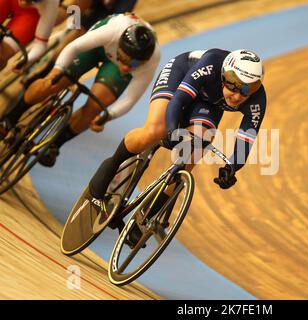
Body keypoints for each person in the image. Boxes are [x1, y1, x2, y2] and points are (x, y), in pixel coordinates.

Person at [87, 48, 266, 245]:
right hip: (181, 74)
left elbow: (247, 138)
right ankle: (112, 166)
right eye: (234, 87)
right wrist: (172, 131)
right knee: (156, 130)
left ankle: (145, 218)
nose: (238, 96)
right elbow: (178, 100)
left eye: (247, 89)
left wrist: (232, 167)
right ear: (224, 77)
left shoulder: (258, 100)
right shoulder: (212, 64)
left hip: (209, 102)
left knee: (194, 151)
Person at [0, 12, 160, 167]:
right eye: (124, 59)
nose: (126, 67)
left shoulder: (152, 60)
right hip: (98, 47)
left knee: (96, 106)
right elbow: (73, 47)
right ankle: (11, 117)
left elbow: (130, 99)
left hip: (113, 64)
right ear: (119, 46)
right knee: (52, 83)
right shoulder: (113, 30)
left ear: (144, 62)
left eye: (133, 65)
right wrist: (56, 71)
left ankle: (55, 145)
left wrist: (108, 116)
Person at [24, 0, 139, 85]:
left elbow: (118, 16)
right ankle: (39, 27)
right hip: (93, 5)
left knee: (78, 33)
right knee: (75, 16)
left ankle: (46, 70)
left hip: (106, 13)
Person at [0, 0, 60, 71]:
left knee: (2, 56)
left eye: (30, 1)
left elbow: (40, 44)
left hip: (31, 13)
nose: (23, 3)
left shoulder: (51, 3)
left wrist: (24, 60)